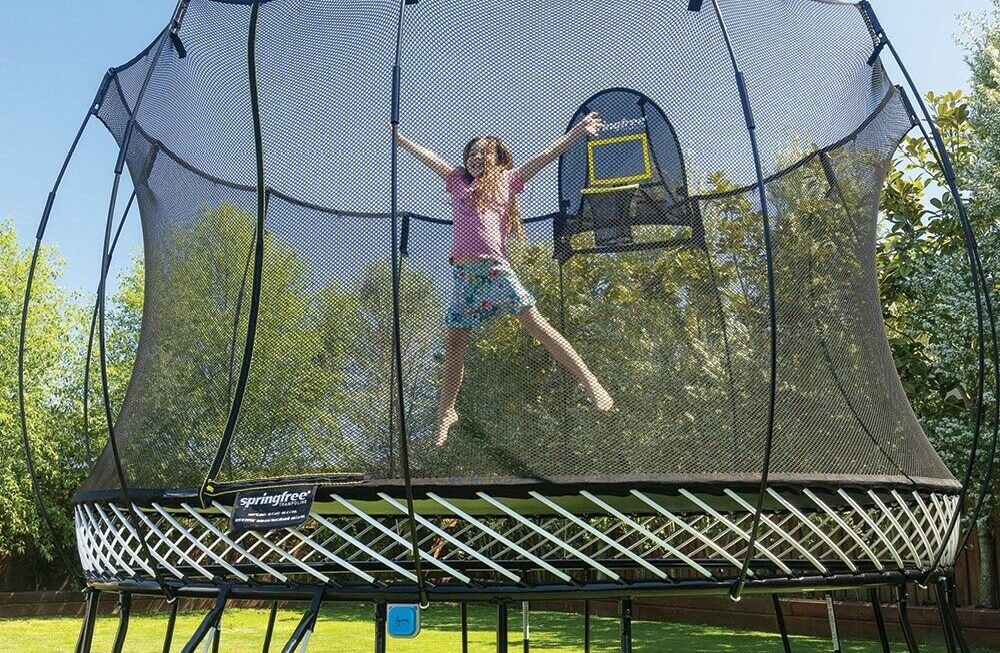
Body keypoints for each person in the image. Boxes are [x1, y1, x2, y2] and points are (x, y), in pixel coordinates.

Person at [394, 113, 614, 446]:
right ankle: (446, 412)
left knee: (537, 324)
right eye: (472, 152)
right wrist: (401, 140)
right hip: (464, 276)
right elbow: (431, 158)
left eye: (484, 152)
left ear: (498, 159)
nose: (476, 156)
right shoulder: (456, 180)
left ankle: (591, 381)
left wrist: (578, 132)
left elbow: (545, 155)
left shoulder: (508, 180)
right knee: (455, 344)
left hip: (495, 270)